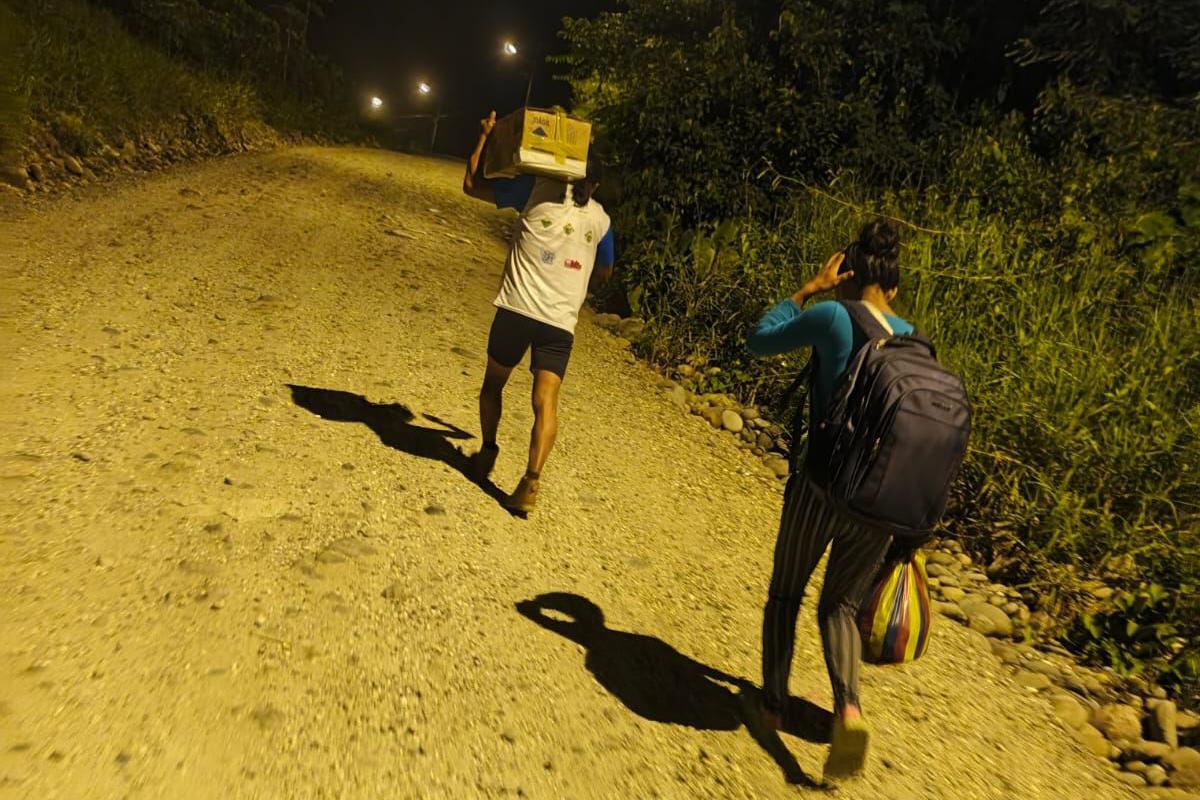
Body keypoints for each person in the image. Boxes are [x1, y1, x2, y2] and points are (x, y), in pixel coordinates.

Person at [744, 219, 911, 779]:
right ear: (894, 287)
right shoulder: (912, 340)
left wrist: (809, 289)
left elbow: (759, 338)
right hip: (877, 504)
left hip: (821, 488)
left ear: (848, 274)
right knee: (839, 607)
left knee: (786, 594)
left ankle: (772, 704)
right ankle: (849, 711)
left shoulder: (835, 316)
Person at [461, 110, 615, 514]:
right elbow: (605, 271)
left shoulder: (532, 188)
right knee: (546, 401)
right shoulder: (602, 220)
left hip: (517, 310)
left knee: (493, 385)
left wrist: (485, 136)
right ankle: (531, 482)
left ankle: (488, 450)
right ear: (595, 184)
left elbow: (472, 184)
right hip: (560, 323)